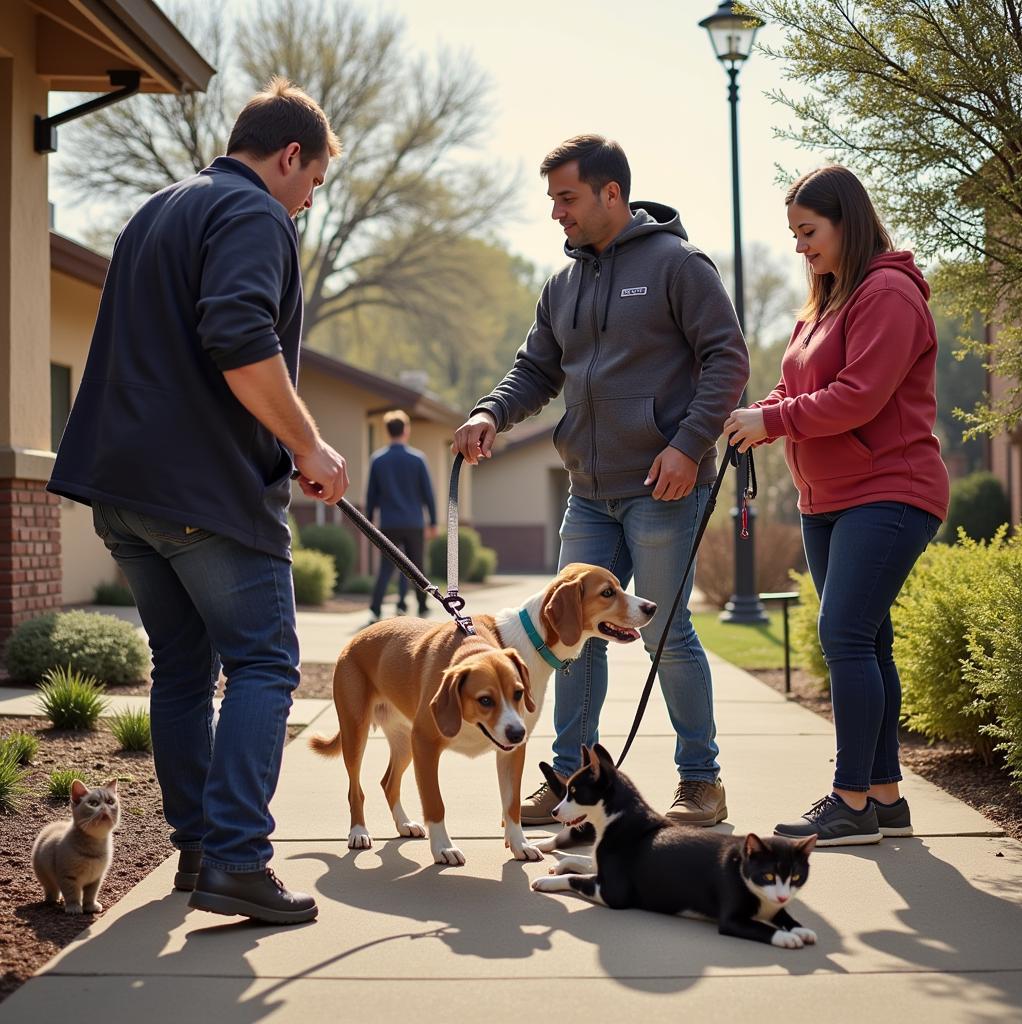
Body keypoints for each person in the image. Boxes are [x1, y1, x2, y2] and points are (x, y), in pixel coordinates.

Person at [48, 78, 348, 924]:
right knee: (264, 663)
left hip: (122, 490)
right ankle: (239, 861)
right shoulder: (256, 216)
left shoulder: (157, 209)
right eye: (313, 183)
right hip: (203, 494)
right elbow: (239, 338)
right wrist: (308, 446)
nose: (307, 202)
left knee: (183, 670)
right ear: (289, 156)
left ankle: (197, 853)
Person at [453, 134, 749, 827]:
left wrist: (686, 447)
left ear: (610, 193)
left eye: (567, 197)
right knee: (566, 633)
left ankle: (700, 782)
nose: (557, 212)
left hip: (663, 487)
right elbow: (536, 369)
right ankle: (570, 780)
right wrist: (491, 409)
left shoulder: (677, 265)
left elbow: (726, 359)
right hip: (588, 491)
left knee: (665, 635)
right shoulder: (563, 283)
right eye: (553, 198)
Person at [724, 165, 949, 847]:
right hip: (828, 497)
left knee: (844, 635)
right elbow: (800, 388)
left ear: (846, 221)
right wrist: (752, 415)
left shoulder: (888, 294)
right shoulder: (827, 299)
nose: (799, 247)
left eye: (808, 231)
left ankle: (849, 801)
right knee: (867, 640)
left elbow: (858, 396)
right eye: (793, 233)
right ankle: (884, 798)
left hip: (891, 488)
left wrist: (775, 422)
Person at [365, 409, 438, 623]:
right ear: (406, 430)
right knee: (416, 567)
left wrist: (368, 523)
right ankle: (422, 606)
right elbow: (428, 494)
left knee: (387, 567)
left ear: (388, 431)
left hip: (389, 522)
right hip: (414, 522)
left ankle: (376, 609)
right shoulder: (417, 459)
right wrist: (432, 521)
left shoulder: (378, 460)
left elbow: (371, 495)